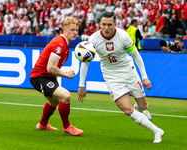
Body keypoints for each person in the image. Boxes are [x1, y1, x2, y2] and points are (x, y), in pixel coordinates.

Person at [78, 12, 164, 143]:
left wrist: (145, 77)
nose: (106, 28)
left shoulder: (123, 36)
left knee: (143, 106)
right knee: (128, 110)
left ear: (115, 24)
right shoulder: (93, 39)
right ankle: (157, 131)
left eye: (109, 25)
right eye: (104, 25)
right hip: (112, 77)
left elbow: (137, 56)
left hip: (129, 72)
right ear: (99, 24)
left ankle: (139, 111)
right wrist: (81, 85)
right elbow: (85, 62)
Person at [30, 17, 84, 136]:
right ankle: (67, 127)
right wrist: (66, 74)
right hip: (39, 77)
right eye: (72, 30)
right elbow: (51, 68)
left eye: (77, 30)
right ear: (64, 30)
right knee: (66, 96)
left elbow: (52, 68)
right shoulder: (60, 44)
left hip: (48, 77)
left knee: (54, 102)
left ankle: (42, 125)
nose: (75, 32)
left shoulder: (64, 43)